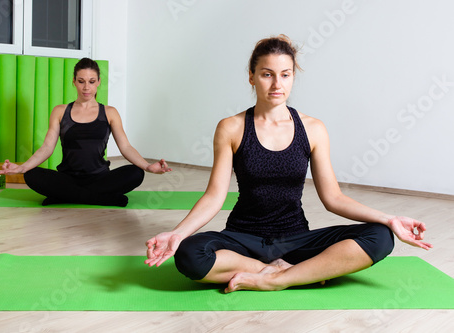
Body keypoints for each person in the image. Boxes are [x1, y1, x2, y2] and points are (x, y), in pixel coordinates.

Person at [145, 35, 432, 292]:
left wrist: (389, 219)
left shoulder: (313, 128)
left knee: (381, 236)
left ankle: (273, 279)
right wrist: (178, 233)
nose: (276, 84)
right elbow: (214, 196)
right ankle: (290, 274)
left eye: (285, 74)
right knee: (189, 254)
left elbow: (333, 198)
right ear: (252, 77)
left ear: (294, 76)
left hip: (295, 240)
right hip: (243, 239)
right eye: (267, 74)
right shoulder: (231, 128)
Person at [0, 58, 171, 207]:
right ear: (74, 81)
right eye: (81, 81)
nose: (86, 87)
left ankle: (64, 197)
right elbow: (47, 147)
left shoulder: (110, 112)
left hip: (100, 178)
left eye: (91, 81)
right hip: (67, 179)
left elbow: (125, 147)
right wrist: (22, 167)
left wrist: (147, 166)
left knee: (136, 173)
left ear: (99, 82)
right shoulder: (60, 111)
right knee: (31, 175)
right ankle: (101, 198)